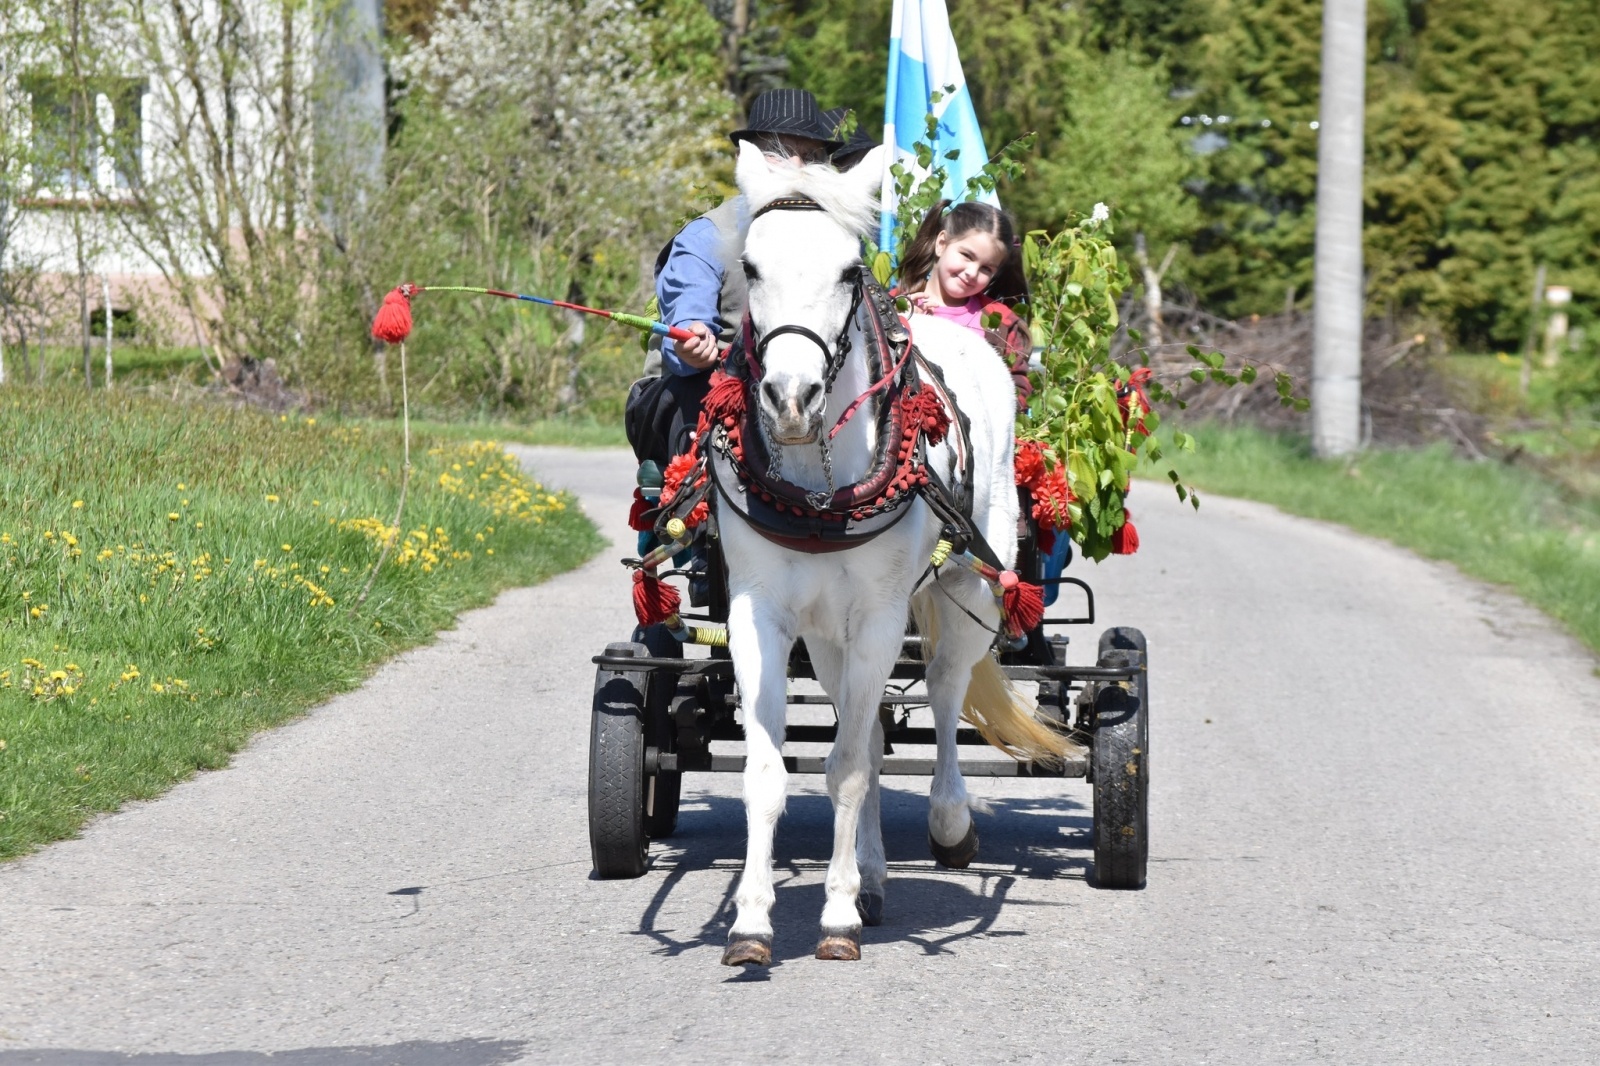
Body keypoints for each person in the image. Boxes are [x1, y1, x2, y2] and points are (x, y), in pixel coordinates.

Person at [625, 89, 843, 469]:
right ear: (745, 161)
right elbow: (689, 316)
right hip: (706, 395)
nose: (796, 168)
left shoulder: (836, 237)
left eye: (811, 157)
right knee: (693, 391)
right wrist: (693, 342)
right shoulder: (706, 237)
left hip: (803, 383)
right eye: (777, 152)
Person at [894, 199, 1033, 409]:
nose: (972, 273)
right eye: (967, 256)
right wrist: (900, 323)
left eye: (986, 268)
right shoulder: (891, 307)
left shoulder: (1002, 324)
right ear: (941, 244)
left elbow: (1018, 392)